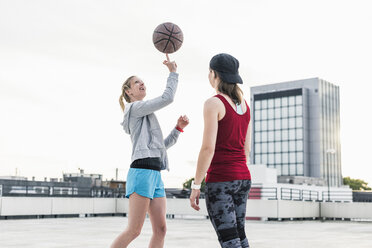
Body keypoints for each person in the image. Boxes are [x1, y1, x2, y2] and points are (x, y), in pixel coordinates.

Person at [111, 54, 189, 248]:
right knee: (134, 230)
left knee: (161, 229)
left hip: (155, 175)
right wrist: (173, 73)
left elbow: (161, 147)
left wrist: (178, 129)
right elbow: (167, 97)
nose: (142, 84)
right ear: (128, 92)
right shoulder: (135, 108)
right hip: (142, 173)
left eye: (143, 81)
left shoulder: (145, 114)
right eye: (137, 82)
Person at [189, 53, 252, 248]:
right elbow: (246, 150)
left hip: (221, 180)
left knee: (229, 240)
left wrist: (196, 185)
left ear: (215, 74)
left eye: (210, 72)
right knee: (239, 235)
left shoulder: (213, 103)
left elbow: (208, 148)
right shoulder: (245, 106)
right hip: (243, 177)